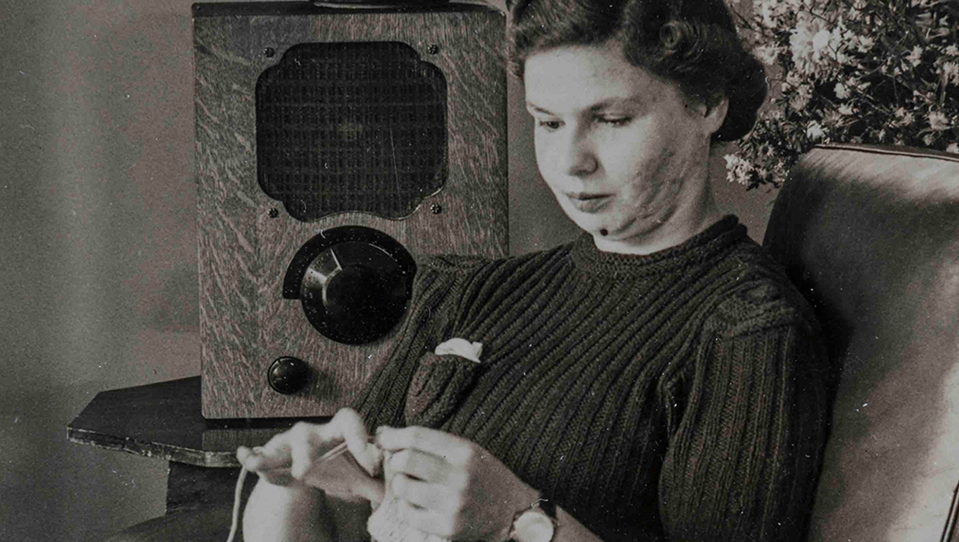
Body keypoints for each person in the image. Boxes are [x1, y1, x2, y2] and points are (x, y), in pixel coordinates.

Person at [237, 0, 834, 540]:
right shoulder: (472, 290)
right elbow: (353, 518)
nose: (571, 161)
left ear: (707, 104)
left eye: (612, 120)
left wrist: (517, 519)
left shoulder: (746, 331)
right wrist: (299, 482)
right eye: (548, 122)